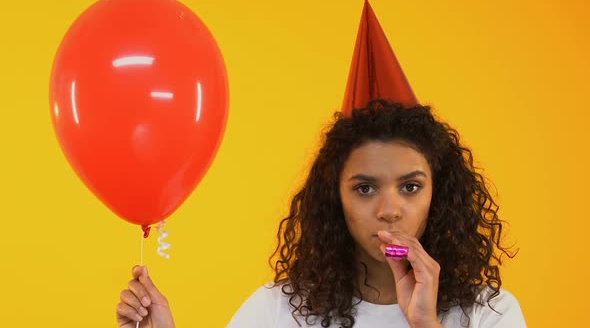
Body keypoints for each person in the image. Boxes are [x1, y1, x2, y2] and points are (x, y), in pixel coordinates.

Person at [115, 100, 526, 327]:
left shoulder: (489, 313)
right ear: (335, 201)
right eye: (364, 188)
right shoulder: (277, 311)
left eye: (410, 187)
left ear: (440, 196)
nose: (388, 211)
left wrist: (425, 324)